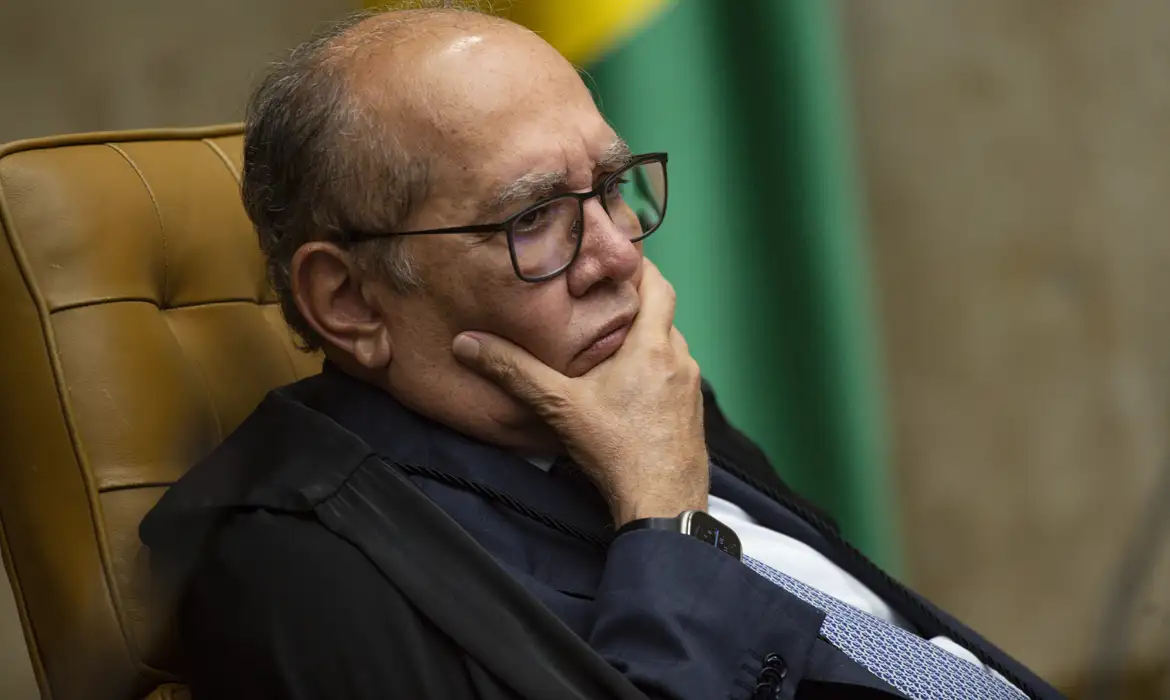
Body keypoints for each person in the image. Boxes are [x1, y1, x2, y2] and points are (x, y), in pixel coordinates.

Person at [140, 3, 1066, 699]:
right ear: (348, 302)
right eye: (534, 217)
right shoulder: (291, 566)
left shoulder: (626, 390)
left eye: (613, 186)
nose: (620, 254)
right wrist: (664, 521)